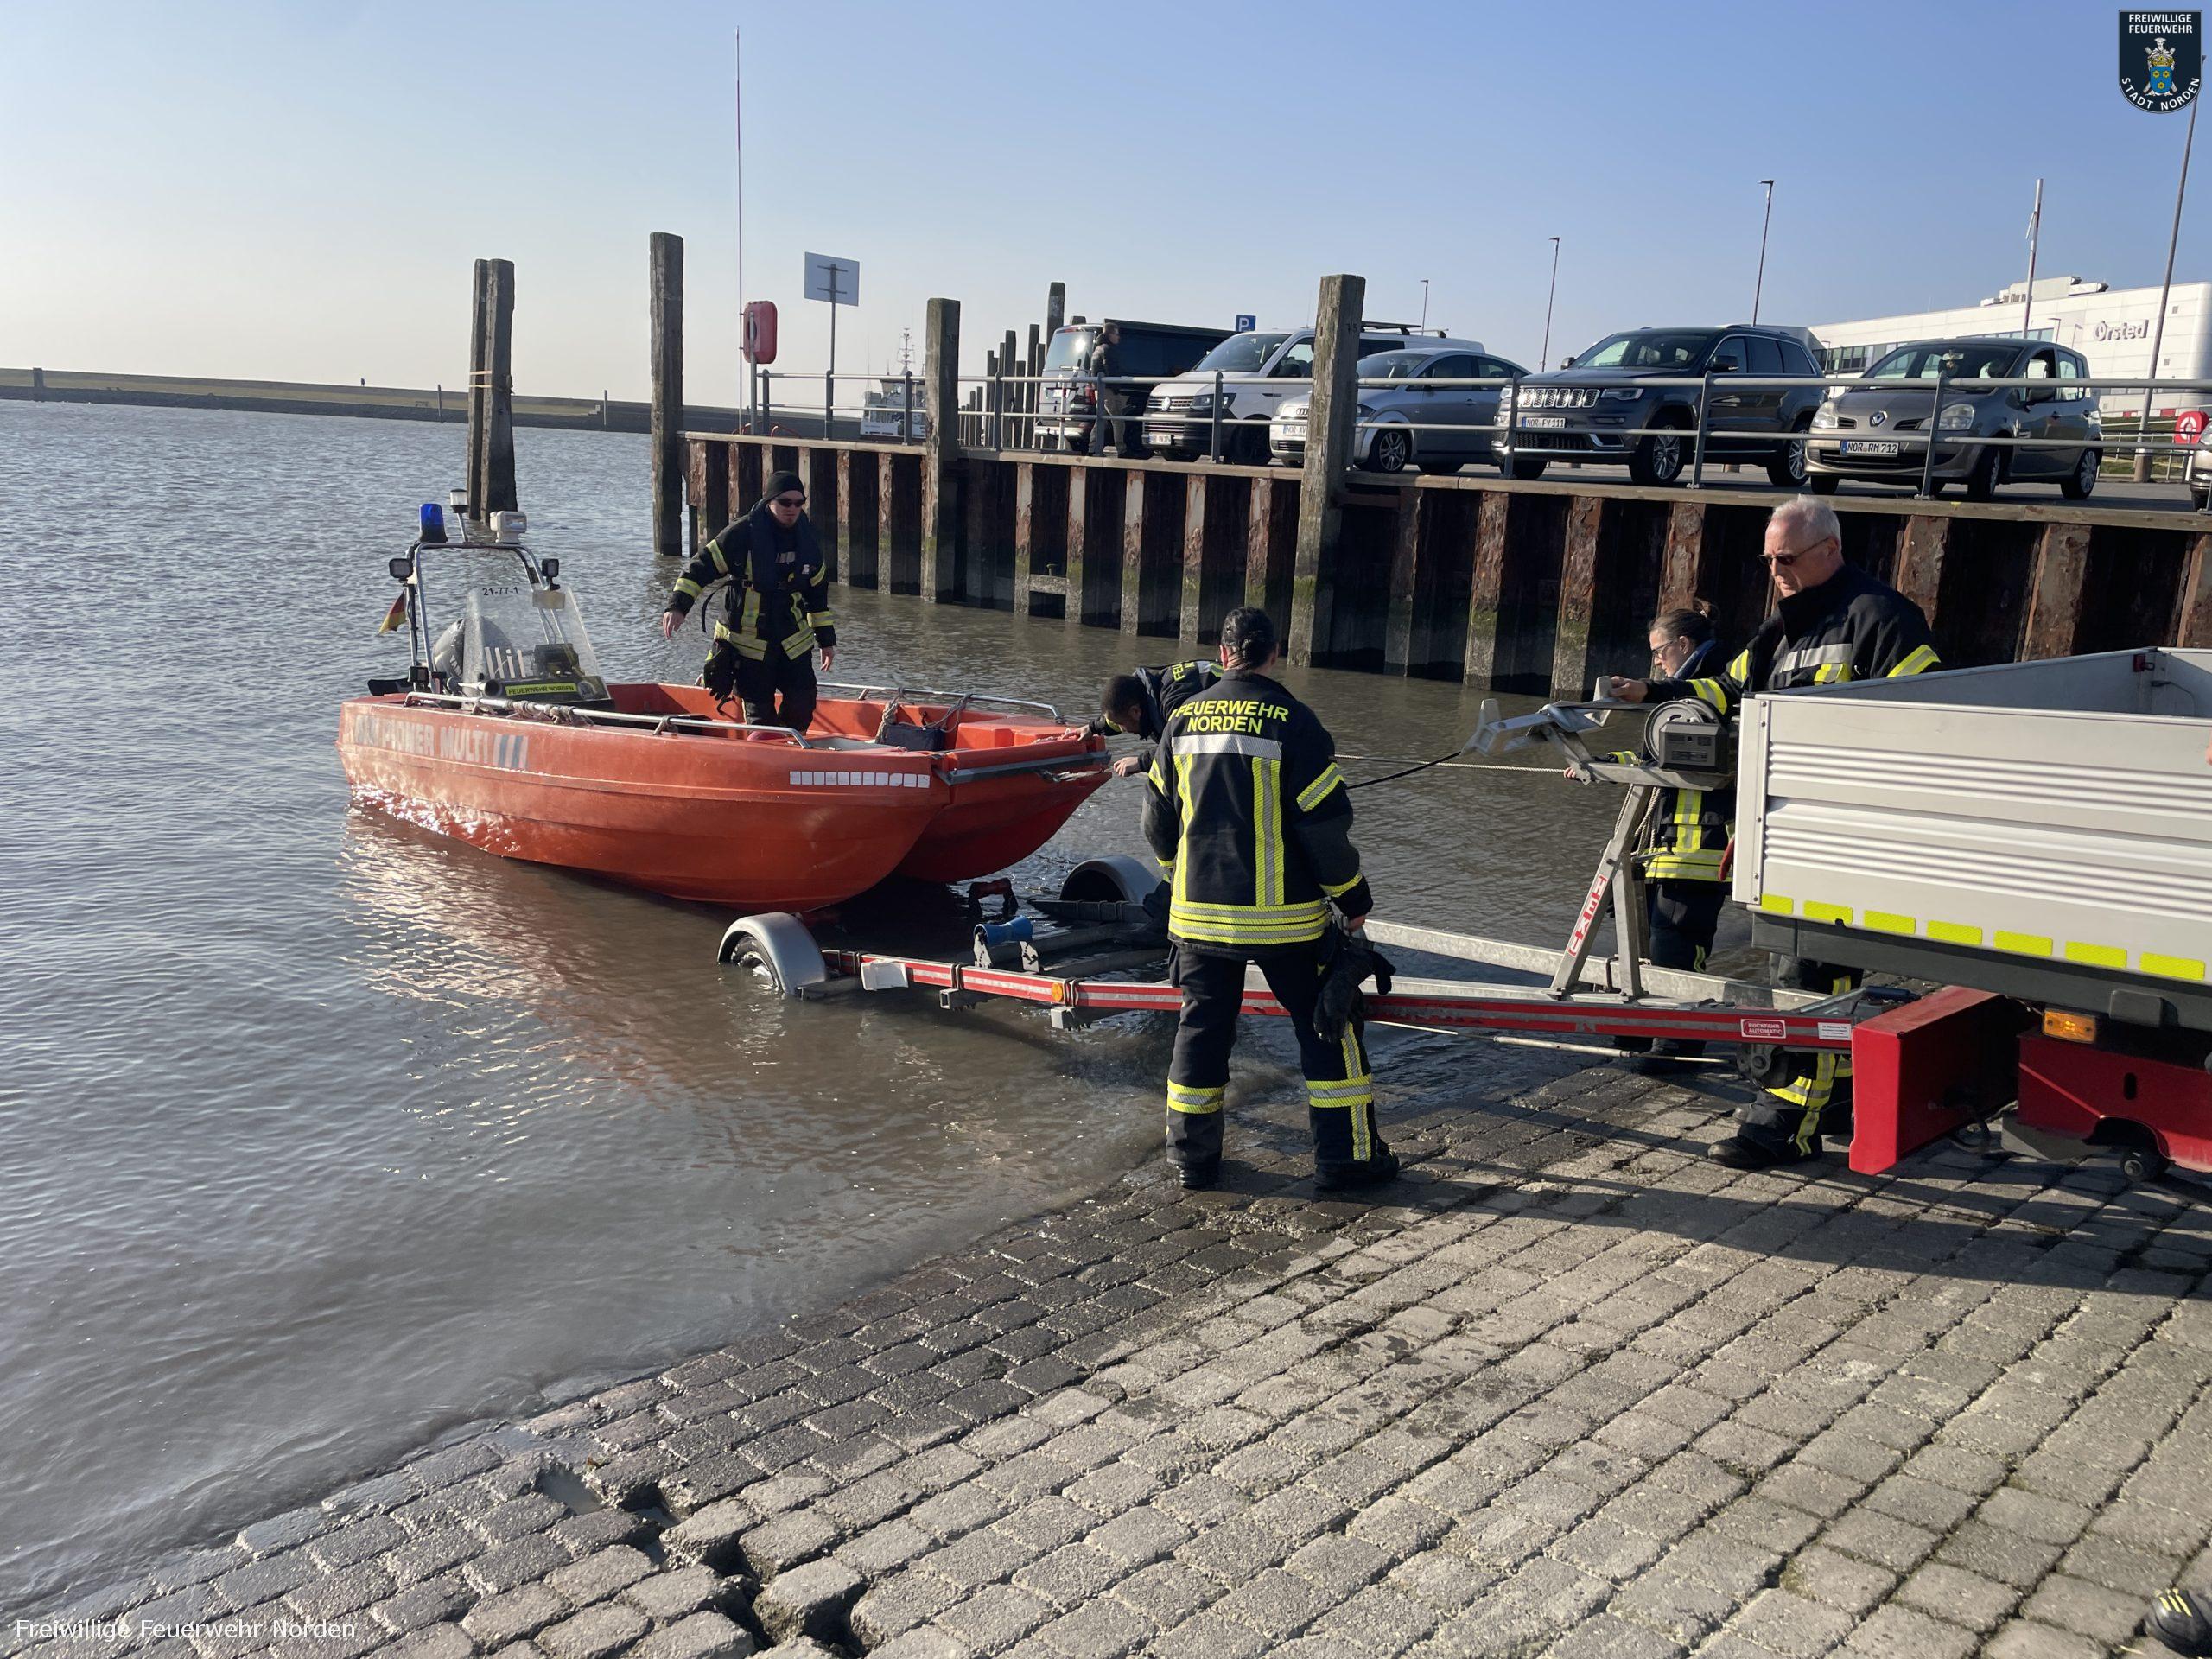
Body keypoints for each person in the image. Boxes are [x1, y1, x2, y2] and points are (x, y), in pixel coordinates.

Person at [1609, 496, 1942, 1171]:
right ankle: (1837, 1099)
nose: (1776, 573)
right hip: (1782, 834)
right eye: (1768, 561)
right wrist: (1650, 693)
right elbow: (1723, 692)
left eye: (1786, 559)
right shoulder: (1780, 631)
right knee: (1809, 970)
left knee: (1803, 974)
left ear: (1830, 549)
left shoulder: (1882, 619)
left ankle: (1782, 1125)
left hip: (1840, 834)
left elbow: (1928, 715)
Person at [1141, 607, 1396, 1193]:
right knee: (1328, 1025)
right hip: (1287, 923)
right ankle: (1345, 1159)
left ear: (1222, 653)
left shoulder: (1181, 720)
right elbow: (1324, 829)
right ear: (1275, 653)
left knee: (1201, 1032)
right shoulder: (1295, 722)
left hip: (1198, 919)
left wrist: (1177, 877)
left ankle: (1192, 1161)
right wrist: (1353, 895)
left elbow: (1156, 821)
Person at [1622, 600, 1733, 1070]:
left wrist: (1648, 691)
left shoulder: (1716, 689)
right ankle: (1650, 1029)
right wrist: (1608, 764)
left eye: (1660, 652)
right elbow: (1657, 757)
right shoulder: (1683, 699)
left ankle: (1677, 1044)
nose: (1656, 663)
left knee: (1680, 944)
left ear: (1683, 645)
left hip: (1702, 845)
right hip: (1669, 842)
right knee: (1651, 938)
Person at [660, 471, 836, 731]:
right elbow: (700, 568)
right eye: (785, 502)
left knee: (802, 702)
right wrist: (678, 606)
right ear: (770, 500)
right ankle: (766, 747)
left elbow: (817, 595)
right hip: (747, 643)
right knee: (760, 717)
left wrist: (826, 641)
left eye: (799, 503)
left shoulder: (807, 538)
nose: (793, 509)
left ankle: (791, 749)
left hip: (793, 641)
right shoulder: (742, 533)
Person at [1089, 658, 1224, 777]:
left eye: (1120, 724)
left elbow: (1188, 744)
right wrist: (1092, 728)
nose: (1121, 729)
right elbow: (1120, 714)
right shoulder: (1151, 688)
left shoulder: (1173, 704)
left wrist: (1141, 762)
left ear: (1135, 711)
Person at [1088, 321, 1135, 457]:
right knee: (1118, 419)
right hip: (1108, 389)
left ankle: (1092, 448)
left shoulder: (1097, 349)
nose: (1118, 337)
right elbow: (1111, 371)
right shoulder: (1108, 350)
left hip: (1100, 389)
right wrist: (1116, 388)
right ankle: (1121, 449)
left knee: (1100, 420)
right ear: (1110, 335)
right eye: (1116, 334)